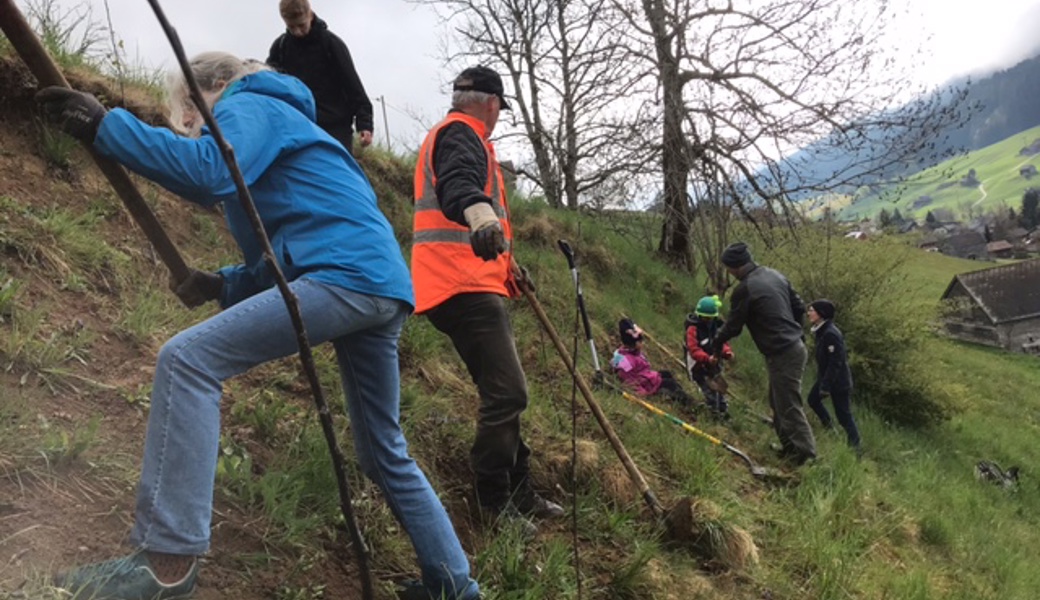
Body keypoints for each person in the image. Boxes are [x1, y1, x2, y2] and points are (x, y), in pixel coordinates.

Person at [35, 52, 479, 600]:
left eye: (190, 113)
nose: (192, 127)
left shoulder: (251, 104)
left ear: (218, 86)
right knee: (383, 447)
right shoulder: (292, 128)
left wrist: (106, 125)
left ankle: (165, 564)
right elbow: (283, 257)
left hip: (343, 277)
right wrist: (220, 284)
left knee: (188, 361)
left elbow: (208, 171)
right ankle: (453, 583)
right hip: (378, 286)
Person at [410, 65, 563, 535]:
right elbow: (460, 187)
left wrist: (507, 266)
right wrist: (482, 221)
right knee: (508, 393)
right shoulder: (460, 134)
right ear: (492, 103)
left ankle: (519, 488)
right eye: (500, 108)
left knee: (504, 393)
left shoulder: (462, 136)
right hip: (461, 287)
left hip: (469, 283)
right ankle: (493, 500)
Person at [711, 242, 817, 465]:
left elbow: (733, 326)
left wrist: (716, 342)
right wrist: (796, 332)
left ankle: (807, 456)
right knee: (777, 400)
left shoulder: (745, 288)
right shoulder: (775, 275)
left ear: (736, 267)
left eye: (728, 268)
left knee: (788, 403)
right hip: (794, 346)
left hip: (783, 351)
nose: (728, 272)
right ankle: (789, 449)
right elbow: (799, 307)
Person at [267, 0, 373, 154]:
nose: (297, 31)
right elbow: (271, 83)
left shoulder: (331, 44)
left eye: (301, 25)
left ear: (310, 15)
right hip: (299, 126)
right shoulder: (281, 47)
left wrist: (365, 124)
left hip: (335, 128)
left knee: (337, 174)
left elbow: (353, 85)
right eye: (291, 27)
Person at [806, 299, 861, 452]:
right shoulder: (821, 331)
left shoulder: (831, 334)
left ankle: (855, 448)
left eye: (812, 310)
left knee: (844, 416)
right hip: (825, 378)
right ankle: (829, 428)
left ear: (821, 313)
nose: (809, 313)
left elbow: (835, 362)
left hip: (838, 382)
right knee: (812, 400)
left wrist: (825, 386)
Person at [612, 318, 693, 406]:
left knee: (666, 374)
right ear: (634, 343)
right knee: (670, 384)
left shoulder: (634, 353)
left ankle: (682, 394)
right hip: (648, 386)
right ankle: (689, 404)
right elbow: (631, 382)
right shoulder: (626, 363)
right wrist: (645, 395)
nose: (642, 343)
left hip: (648, 378)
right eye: (640, 341)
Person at [685, 295, 734, 418]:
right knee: (708, 391)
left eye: (710, 318)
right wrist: (707, 358)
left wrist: (727, 353)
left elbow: (722, 343)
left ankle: (722, 410)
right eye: (705, 318)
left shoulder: (716, 327)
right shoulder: (692, 329)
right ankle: (711, 414)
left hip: (714, 366)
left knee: (720, 390)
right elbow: (693, 350)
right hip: (698, 367)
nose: (708, 321)